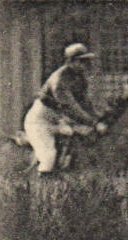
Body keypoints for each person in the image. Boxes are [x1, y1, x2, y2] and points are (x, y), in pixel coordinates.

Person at [24, 42, 107, 175]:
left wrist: (98, 118)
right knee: (48, 156)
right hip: (40, 121)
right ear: (70, 62)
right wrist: (94, 123)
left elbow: (85, 103)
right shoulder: (59, 80)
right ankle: (43, 187)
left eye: (86, 62)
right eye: (81, 61)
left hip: (58, 120)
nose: (84, 65)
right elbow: (71, 107)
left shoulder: (80, 78)